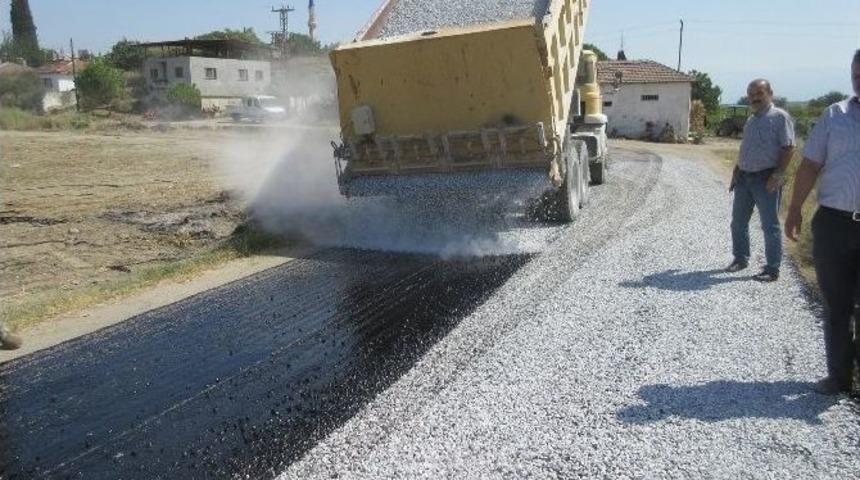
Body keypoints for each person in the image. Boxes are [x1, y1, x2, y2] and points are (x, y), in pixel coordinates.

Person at [785, 50, 860, 396]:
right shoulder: (834, 115)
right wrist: (795, 208)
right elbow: (810, 165)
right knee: (836, 304)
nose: (859, 82)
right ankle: (839, 377)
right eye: (856, 75)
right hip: (834, 224)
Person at [727, 79, 796, 282]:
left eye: (759, 93)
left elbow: (788, 148)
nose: (754, 98)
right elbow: (746, 148)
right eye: (751, 94)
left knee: (770, 225)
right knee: (738, 222)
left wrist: (778, 175)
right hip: (744, 178)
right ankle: (740, 259)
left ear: (770, 94)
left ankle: (772, 269)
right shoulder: (751, 119)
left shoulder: (780, 117)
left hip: (766, 179)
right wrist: (736, 171)